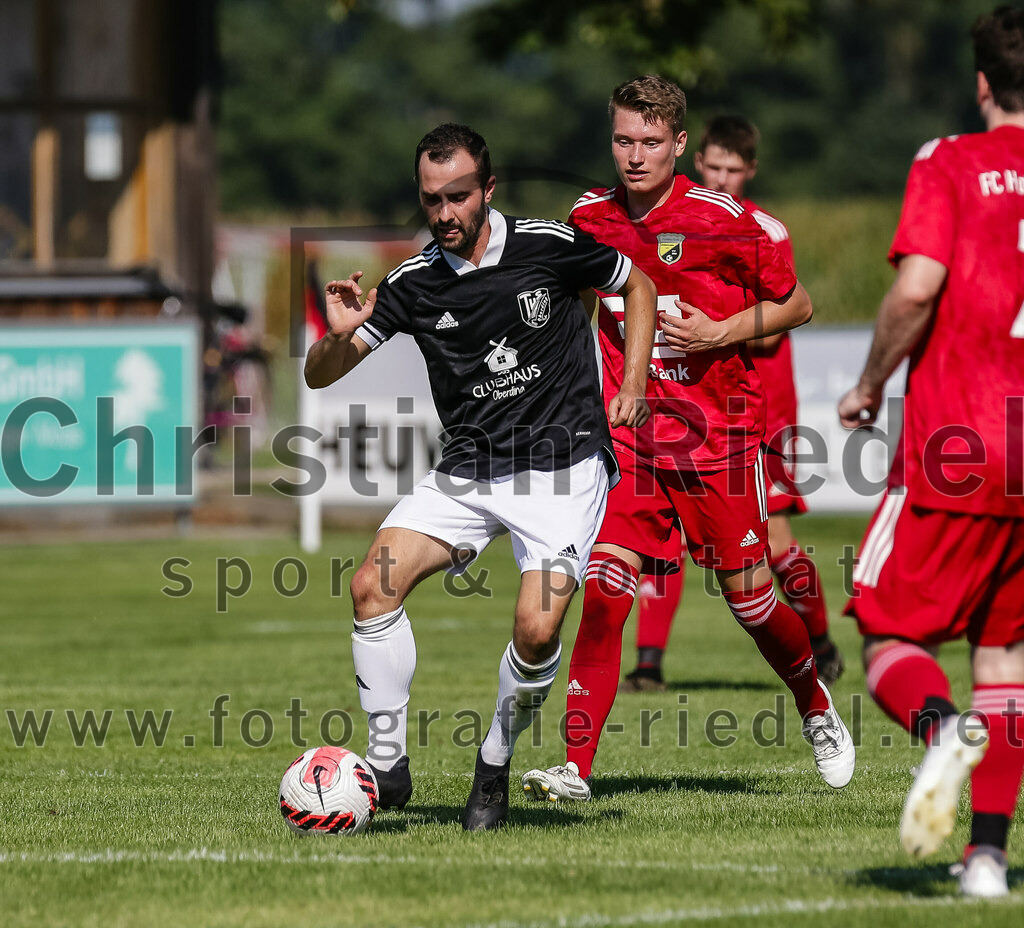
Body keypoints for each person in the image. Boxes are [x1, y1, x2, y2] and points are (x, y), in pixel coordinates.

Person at [304, 123, 657, 831]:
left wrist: (637, 381)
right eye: (431, 199)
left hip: (563, 470)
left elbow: (637, 283)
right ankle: (388, 762)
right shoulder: (413, 282)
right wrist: (337, 336)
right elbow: (321, 374)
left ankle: (493, 764)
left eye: (458, 197)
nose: (443, 214)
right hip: (467, 471)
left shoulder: (547, 247)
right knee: (373, 581)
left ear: (487, 191)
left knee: (535, 627)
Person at [522, 76, 856, 803]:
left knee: (752, 604)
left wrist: (720, 331)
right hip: (630, 439)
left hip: (719, 440)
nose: (634, 156)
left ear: (680, 144)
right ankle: (576, 766)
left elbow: (796, 302)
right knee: (606, 590)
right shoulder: (588, 216)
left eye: (649, 142)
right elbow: (574, 308)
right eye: (622, 140)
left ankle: (815, 705)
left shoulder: (728, 219)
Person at [838, 6, 1024, 898]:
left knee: (884, 628)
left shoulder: (950, 161)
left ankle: (941, 730)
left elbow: (916, 290)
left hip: (961, 442)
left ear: (982, 82)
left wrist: (872, 379)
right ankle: (986, 860)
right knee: (1007, 662)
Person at [620, 115, 844, 694]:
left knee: (775, 545)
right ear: (698, 163)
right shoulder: (674, 226)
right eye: (712, 168)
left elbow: (773, 331)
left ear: (750, 172)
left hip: (754, 408)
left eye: (733, 170)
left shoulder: (759, 230)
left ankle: (816, 637)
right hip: (684, 405)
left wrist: (716, 329)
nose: (721, 179)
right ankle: (647, 663)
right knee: (657, 536)